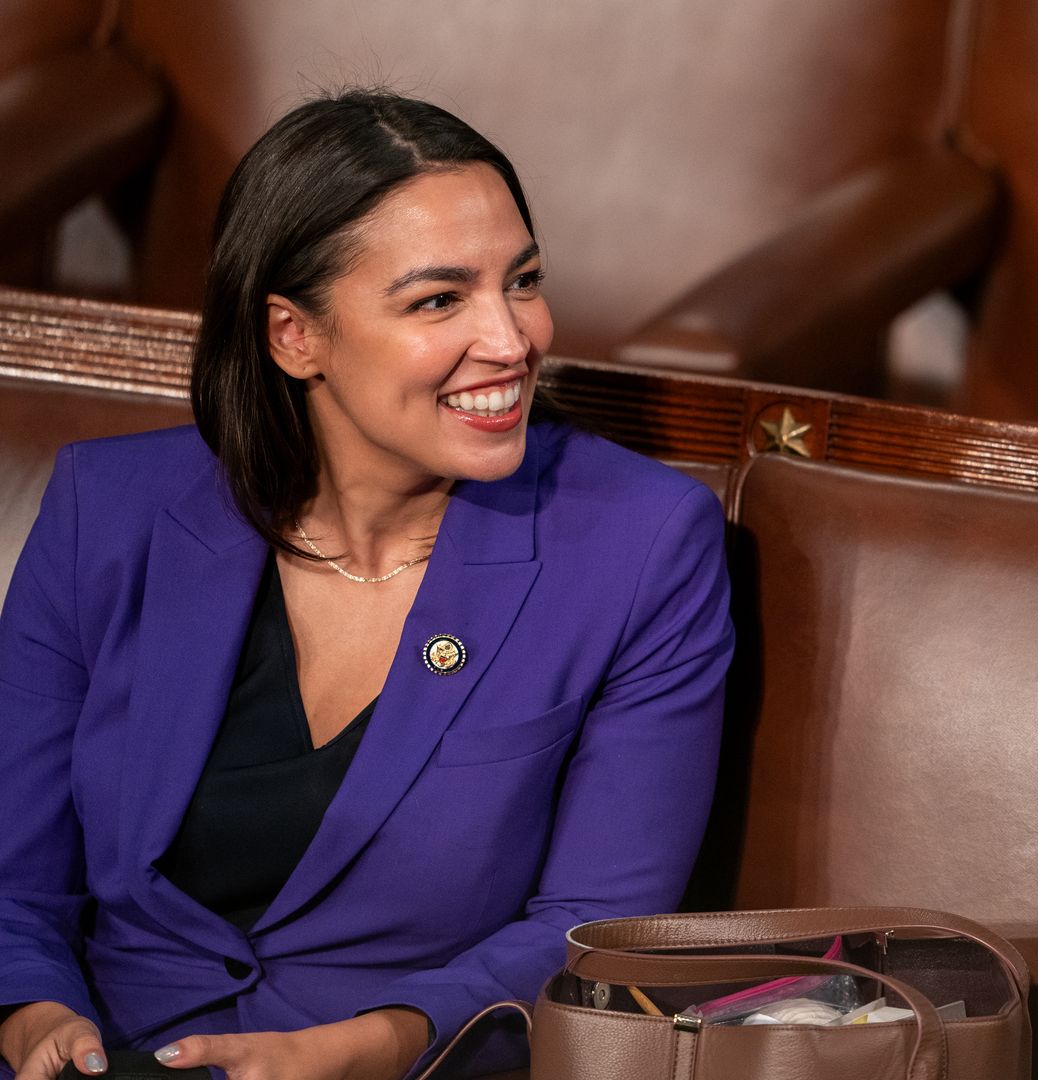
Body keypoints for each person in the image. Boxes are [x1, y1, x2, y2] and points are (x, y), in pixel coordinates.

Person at [0, 91, 733, 1080]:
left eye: (522, 281)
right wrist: (35, 1014)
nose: (512, 340)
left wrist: (374, 1046)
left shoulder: (642, 544)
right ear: (293, 335)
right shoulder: (110, 509)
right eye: (440, 300)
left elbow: (594, 930)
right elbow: (14, 879)